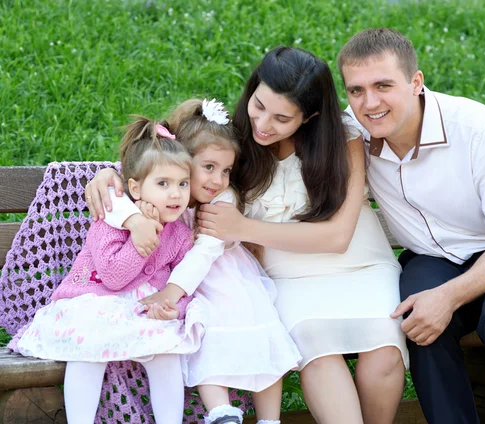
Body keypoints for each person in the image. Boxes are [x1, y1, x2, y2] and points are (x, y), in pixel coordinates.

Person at [87, 48, 409, 424]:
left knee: (383, 350)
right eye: (259, 105)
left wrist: (241, 228)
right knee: (317, 346)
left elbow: (338, 237)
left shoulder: (343, 140)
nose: (264, 123)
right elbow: (161, 153)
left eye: (282, 117)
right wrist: (108, 174)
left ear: (311, 117)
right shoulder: (236, 139)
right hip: (288, 278)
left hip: (362, 265)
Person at [337, 28, 485, 424]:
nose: (369, 103)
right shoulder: (354, 134)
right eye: (356, 90)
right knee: (419, 319)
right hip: (432, 258)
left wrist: (448, 297)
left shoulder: (479, 129)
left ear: (415, 82)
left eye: (383, 85)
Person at [88, 98, 301, 424]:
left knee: (260, 335)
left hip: (223, 280)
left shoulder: (221, 201)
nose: (217, 179)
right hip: (185, 286)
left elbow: (203, 254)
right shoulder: (173, 191)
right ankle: (220, 412)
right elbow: (130, 192)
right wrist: (110, 180)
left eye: (226, 170)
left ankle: (269, 419)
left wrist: (170, 294)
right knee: (204, 337)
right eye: (209, 168)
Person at [17, 117, 203, 424]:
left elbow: (184, 284)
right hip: (95, 301)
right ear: (135, 187)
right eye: (163, 184)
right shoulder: (110, 220)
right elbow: (115, 277)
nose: (175, 194)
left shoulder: (180, 234)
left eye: (182, 184)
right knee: (88, 351)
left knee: (168, 353)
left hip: (142, 309)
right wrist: (142, 237)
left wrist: (173, 308)